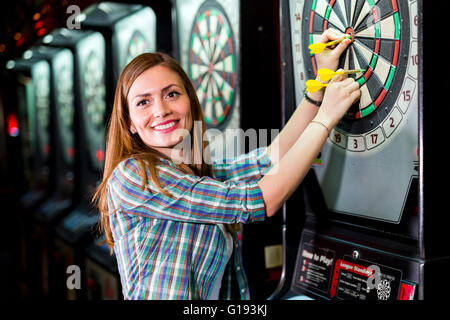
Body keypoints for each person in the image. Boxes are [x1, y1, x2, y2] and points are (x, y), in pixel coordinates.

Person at [93, 28, 360, 300]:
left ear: (190, 100)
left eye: (171, 94)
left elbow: (271, 159)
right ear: (129, 123)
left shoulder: (196, 172)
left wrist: (321, 81)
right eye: (143, 102)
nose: (161, 110)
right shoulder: (134, 176)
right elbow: (262, 200)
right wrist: (325, 119)